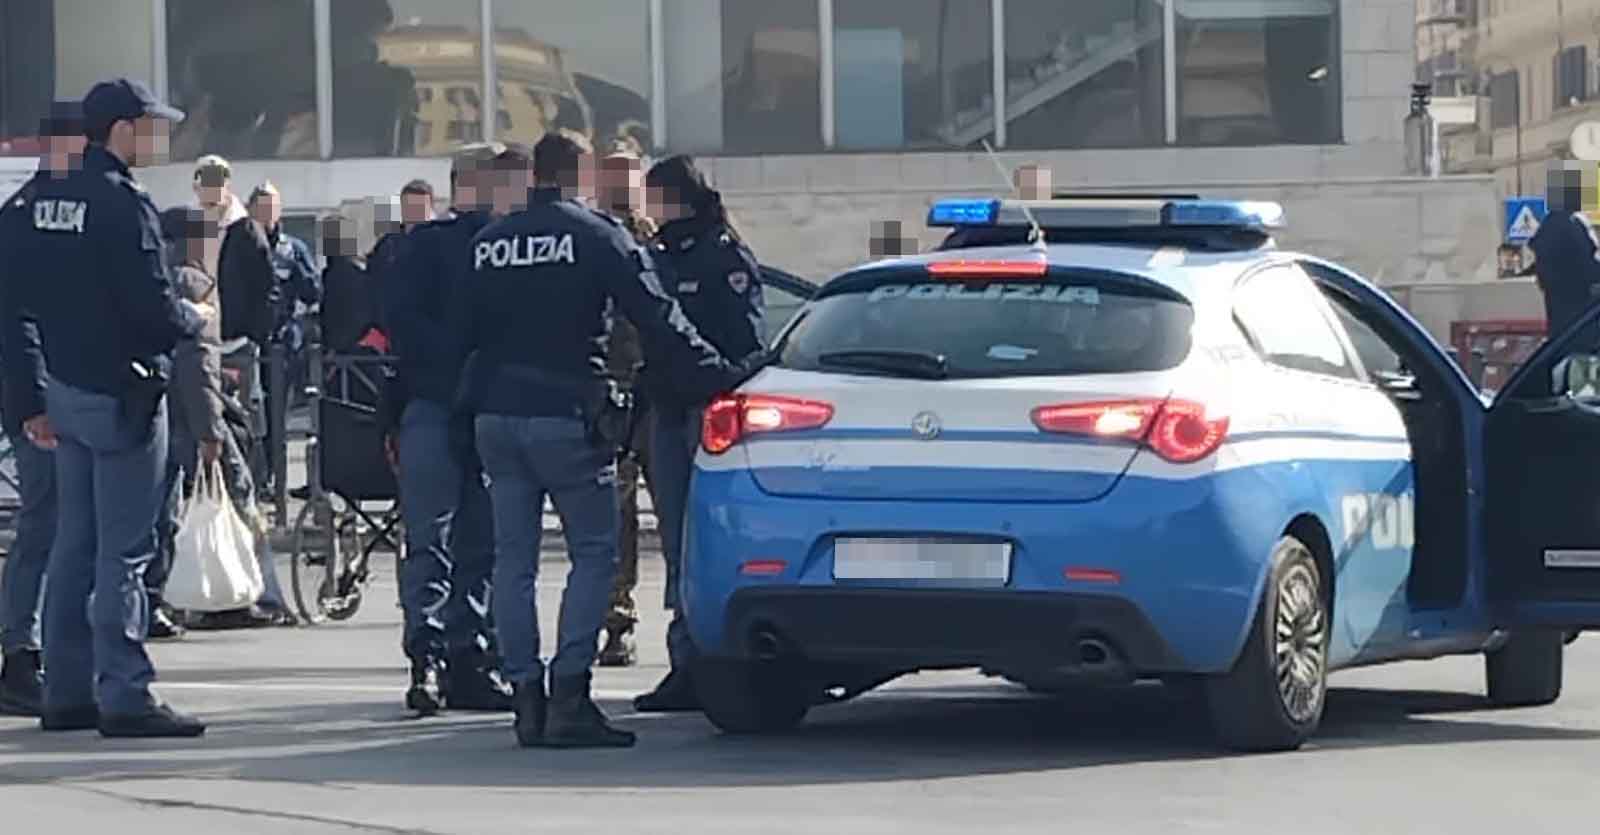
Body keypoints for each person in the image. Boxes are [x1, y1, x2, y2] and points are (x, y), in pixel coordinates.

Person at [459, 132, 755, 748]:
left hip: (495, 415)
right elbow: (657, 315)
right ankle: (569, 693)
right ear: (583, 171)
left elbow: (464, 332)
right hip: (566, 412)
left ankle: (525, 701)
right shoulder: (595, 234)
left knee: (513, 562)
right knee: (594, 555)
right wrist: (723, 375)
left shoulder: (490, 243)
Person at [12, 78, 204, 737]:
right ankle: (125, 691)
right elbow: (151, 310)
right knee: (123, 549)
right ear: (120, 130)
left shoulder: (39, 200)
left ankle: (66, 690)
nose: (159, 137)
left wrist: (27, 395)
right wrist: (195, 317)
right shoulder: (120, 202)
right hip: (122, 390)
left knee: (74, 542)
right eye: (151, 125)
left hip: (64, 386)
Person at [380, 141, 514, 715]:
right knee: (448, 540)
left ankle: (453, 658)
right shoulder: (445, 246)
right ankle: (445, 657)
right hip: (452, 404)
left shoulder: (435, 247)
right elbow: (401, 325)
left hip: (446, 404)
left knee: (462, 541)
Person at [634, 154, 767, 713]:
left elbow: (747, 346)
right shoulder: (657, 257)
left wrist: (711, 381)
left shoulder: (722, 255)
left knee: (699, 541)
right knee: (673, 540)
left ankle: (705, 662)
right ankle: (683, 658)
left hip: (705, 414)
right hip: (664, 412)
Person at [152, 207, 296, 631]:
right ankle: (254, 594)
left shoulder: (157, 284)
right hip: (195, 417)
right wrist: (211, 430)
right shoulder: (194, 285)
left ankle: (164, 595)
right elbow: (196, 366)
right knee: (238, 493)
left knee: (166, 507)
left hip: (165, 415)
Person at [0, 102, 81, 715]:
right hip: (41, 397)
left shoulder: (57, 213)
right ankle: (20, 653)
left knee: (60, 525)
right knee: (44, 522)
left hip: (68, 389)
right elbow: (17, 320)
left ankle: (44, 647)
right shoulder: (26, 218)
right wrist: (32, 403)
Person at [596, 145, 658, 668]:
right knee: (616, 515)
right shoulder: (591, 237)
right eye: (610, 176)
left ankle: (691, 626)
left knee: (679, 512)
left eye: (628, 176)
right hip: (608, 391)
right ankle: (617, 621)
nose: (619, 187)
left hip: (659, 390)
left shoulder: (662, 241)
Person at [194, 155, 276, 493]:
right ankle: (205, 487)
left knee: (245, 417)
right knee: (202, 416)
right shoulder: (188, 225)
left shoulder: (246, 230)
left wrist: (255, 334)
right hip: (198, 341)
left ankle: (250, 486)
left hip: (238, 343)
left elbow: (267, 286)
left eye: (219, 180)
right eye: (207, 180)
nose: (213, 188)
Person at [248, 181, 320, 499]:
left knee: (278, 414)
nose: (267, 214)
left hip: (283, 340)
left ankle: (275, 482)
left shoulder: (292, 248)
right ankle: (255, 479)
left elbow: (313, 291)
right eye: (261, 208)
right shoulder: (243, 242)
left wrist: (296, 270)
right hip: (250, 342)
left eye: (272, 208)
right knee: (252, 412)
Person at [1526, 161, 1600, 337]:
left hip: (1563, 318)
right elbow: (1586, 266)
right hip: (1577, 317)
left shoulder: (1552, 225)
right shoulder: (1569, 226)